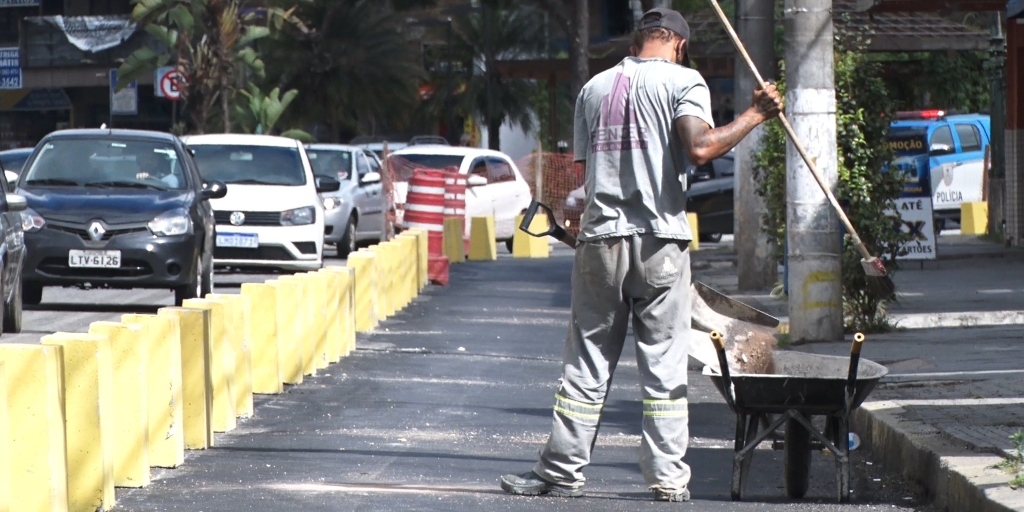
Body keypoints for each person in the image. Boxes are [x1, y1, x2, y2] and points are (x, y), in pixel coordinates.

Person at [499, 7, 783, 502]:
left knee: (586, 363)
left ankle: (562, 472)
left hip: (601, 243)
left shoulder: (594, 89)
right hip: (661, 247)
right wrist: (756, 115)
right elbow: (698, 149)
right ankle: (669, 479)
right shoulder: (683, 80)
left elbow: (586, 182)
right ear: (677, 43)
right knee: (664, 366)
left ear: (639, 42)